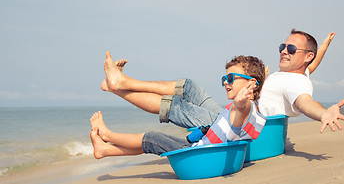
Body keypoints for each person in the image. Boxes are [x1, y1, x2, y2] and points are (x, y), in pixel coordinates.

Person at [100, 30, 344, 133]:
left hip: (238, 129)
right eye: (283, 46)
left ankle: (118, 87)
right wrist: (324, 45)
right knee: (188, 86)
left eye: (291, 48)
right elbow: (311, 65)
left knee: (176, 105)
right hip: (231, 114)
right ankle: (122, 82)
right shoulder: (299, 73)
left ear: (305, 55)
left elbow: (304, 102)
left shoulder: (298, 84)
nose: (284, 50)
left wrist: (324, 113)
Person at [91, 56, 267, 158]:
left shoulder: (245, 107)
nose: (225, 83)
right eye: (224, 79)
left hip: (199, 155)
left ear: (251, 83)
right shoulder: (251, 107)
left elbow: (239, 120)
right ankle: (105, 149)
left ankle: (107, 135)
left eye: (230, 79)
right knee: (152, 143)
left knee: (152, 139)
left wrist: (241, 103)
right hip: (198, 145)